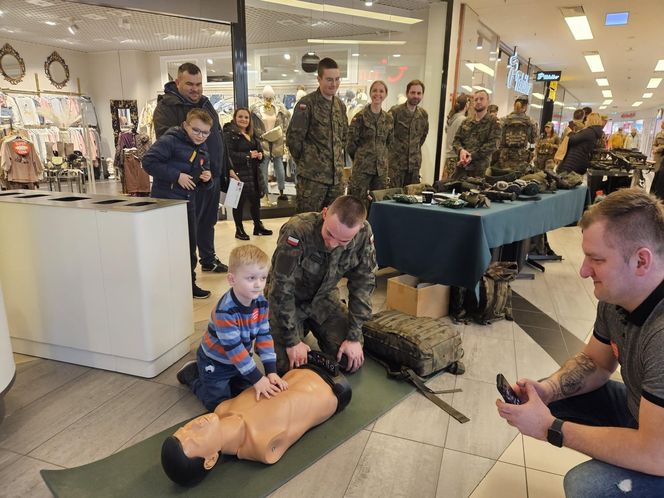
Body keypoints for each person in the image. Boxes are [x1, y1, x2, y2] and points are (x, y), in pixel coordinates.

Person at [497, 189, 664, 497]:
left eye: (596, 259)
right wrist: (545, 390)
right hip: (646, 417)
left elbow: (656, 454)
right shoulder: (616, 298)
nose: (584, 271)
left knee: (588, 487)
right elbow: (597, 363)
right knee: (553, 396)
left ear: (642, 261)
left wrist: (552, 429)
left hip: (659, 449)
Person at [162, 353, 351, 487]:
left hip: (300, 370)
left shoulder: (223, 408)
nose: (194, 425)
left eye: (184, 428)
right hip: (334, 389)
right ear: (210, 460)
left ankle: (193, 376)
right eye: (194, 438)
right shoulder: (263, 446)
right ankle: (193, 377)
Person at [265, 195, 376, 375]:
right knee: (288, 366)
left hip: (324, 299)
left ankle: (308, 326)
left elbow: (363, 284)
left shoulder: (363, 234)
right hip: (289, 302)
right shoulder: (297, 231)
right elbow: (280, 290)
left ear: (359, 229)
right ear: (325, 213)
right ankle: (299, 329)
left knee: (349, 360)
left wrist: (354, 337)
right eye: (330, 234)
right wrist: (292, 340)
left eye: (343, 242)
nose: (332, 244)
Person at [176, 245, 288, 410]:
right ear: (232, 279)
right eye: (251, 278)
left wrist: (271, 371)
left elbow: (264, 335)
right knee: (218, 405)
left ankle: (234, 380)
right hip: (216, 362)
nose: (258, 284)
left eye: (263, 278)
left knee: (246, 397)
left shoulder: (261, 301)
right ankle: (192, 375)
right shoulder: (225, 311)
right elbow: (234, 349)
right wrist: (257, 378)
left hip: (241, 360)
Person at [153, 63, 228, 274]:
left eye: (198, 84)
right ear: (178, 83)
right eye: (189, 84)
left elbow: (218, 136)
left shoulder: (206, 104)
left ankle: (208, 259)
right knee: (188, 228)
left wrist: (224, 168)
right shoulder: (166, 107)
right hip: (188, 181)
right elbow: (167, 142)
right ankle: (187, 273)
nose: (195, 89)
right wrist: (194, 167)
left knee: (208, 221)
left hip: (208, 176)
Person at [142, 108, 214, 300]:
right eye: (196, 130)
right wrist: (176, 176)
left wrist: (206, 179)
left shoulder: (202, 147)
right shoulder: (170, 140)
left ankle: (187, 284)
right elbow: (148, 161)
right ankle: (163, 285)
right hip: (166, 202)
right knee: (165, 246)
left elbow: (201, 176)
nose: (200, 136)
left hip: (188, 202)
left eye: (205, 132)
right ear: (185, 125)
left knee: (188, 244)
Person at [286, 58, 348, 213]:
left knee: (333, 226)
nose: (334, 84)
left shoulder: (340, 106)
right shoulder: (306, 104)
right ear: (319, 79)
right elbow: (293, 139)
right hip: (312, 180)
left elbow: (344, 138)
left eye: (337, 79)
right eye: (329, 79)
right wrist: (308, 162)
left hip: (336, 181)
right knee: (307, 224)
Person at [223, 108, 273, 240]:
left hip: (254, 174)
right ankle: (239, 230)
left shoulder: (252, 133)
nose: (243, 120)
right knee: (238, 204)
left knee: (255, 201)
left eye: (246, 117)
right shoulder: (229, 134)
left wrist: (260, 155)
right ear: (234, 118)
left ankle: (258, 226)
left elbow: (259, 151)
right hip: (238, 174)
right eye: (240, 117)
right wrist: (248, 155)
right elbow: (228, 155)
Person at [346, 80, 394, 207]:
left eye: (381, 91)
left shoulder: (388, 118)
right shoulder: (360, 117)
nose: (377, 94)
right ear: (370, 93)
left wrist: (381, 157)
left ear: (386, 94)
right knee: (357, 203)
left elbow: (389, 142)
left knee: (378, 202)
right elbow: (351, 144)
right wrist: (361, 158)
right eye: (375, 90)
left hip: (381, 170)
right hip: (362, 169)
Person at [251, 85, 290, 202]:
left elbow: (285, 123)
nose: (268, 99)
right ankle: (265, 194)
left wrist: (284, 137)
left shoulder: (279, 108)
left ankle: (280, 191)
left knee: (277, 167)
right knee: (264, 168)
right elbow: (253, 125)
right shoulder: (256, 109)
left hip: (275, 140)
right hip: (263, 140)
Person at [387, 80, 429, 188]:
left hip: (414, 167)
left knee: (412, 198)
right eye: (413, 92)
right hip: (396, 166)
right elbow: (386, 135)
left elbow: (422, 136)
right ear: (407, 93)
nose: (416, 96)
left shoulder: (423, 115)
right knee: (393, 198)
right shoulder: (395, 112)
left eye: (419, 93)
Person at [452, 89, 502, 179]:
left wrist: (472, 156)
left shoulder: (493, 122)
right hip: (462, 170)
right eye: (476, 99)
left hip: (480, 172)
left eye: (481, 99)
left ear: (488, 101)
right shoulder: (466, 122)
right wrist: (461, 151)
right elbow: (456, 141)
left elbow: (493, 144)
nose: (478, 101)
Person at [498, 94, 538, 173]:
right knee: (519, 182)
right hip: (521, 158)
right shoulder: (530, 122)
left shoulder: (504, 120)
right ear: (526, 106)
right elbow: (532, 140)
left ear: (514, 105)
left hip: (505, 157)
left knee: (504, 179)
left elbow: (498, 138)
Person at [442, 93, 470, 180]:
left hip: (448, 157)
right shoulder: (463, 120)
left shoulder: (451, 118)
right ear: (466, 105)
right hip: (456, 157)